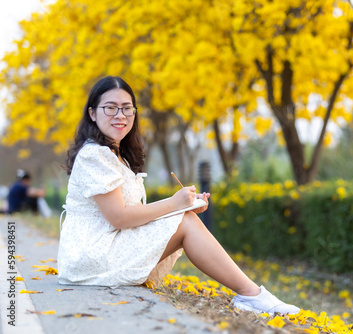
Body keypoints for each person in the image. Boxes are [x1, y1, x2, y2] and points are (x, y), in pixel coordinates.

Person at [57, 76, 300, 315]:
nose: (120, 115)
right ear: (92, 113)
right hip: (91, 255)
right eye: (110, 108)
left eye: (127, 108)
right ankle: (252, 295)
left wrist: (181, 206)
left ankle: (251, 295)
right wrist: (175, 204)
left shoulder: (114, 155)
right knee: (185, 223)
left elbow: (131, 215)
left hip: (104, 247)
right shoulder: (94, 155)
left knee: (185, 219)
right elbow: (119, 217)